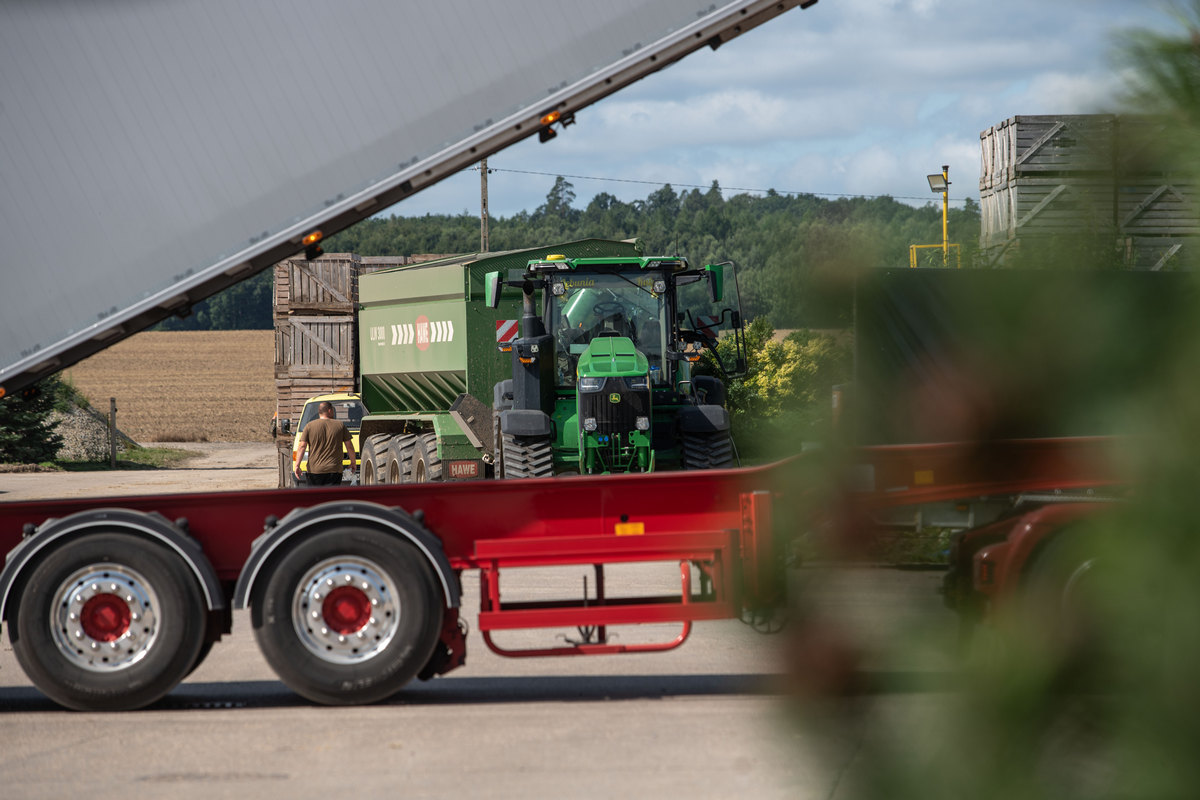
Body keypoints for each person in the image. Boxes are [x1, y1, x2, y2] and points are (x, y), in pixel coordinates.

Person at [294, 401, 356, 486]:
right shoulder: (340, 425)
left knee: (316, 498)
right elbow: (349, 447)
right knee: (332, 498)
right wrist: (353, 462)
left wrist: (297, 465)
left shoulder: (309, 426)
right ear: (330, 410)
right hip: (334, 470)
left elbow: (302, 447)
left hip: (314, 471)